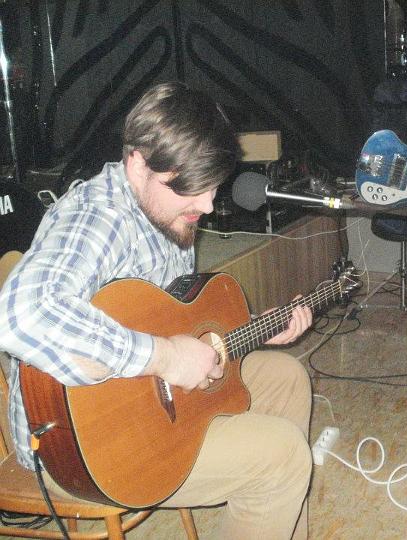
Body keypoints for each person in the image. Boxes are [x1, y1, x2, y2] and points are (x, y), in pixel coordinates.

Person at [0, 82, 314, 539]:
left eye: (213, 187)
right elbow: (21, 314)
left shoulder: (166, 211)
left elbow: (172, 318)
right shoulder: (98, 218)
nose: (207, 205)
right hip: (81, 447)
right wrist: (165, 357)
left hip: (153, 402)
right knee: (282, 457)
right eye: (191, 188)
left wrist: (256, 329)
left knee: (287, 378)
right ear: (138, 163)